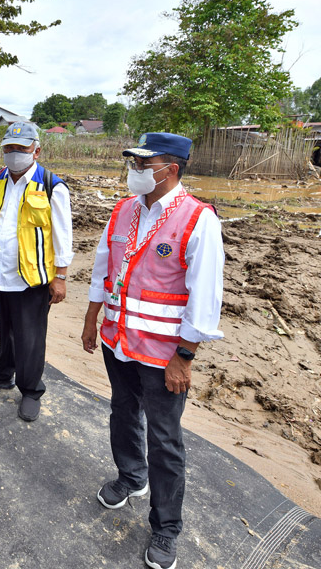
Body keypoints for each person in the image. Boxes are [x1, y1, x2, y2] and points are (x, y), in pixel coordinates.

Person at [80, 133, 224, 569]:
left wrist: (185, 355)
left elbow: (206, 297)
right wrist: (92, 319)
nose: (136, 171)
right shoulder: (122, 211)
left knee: (164, 438)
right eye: (134, 163)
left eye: (145, 165)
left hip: (164, 355)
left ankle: (165, 527)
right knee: (123, 412)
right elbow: (104, 269)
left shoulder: (198, 220)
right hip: (118, 340)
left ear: (171, 170)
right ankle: (131, 477)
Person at [0, 121, 73, 422]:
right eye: (8, 148)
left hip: (32, 278)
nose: (14, 154)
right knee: (3, 329)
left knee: (30, 337)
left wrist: (60, 278)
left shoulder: (51, 185)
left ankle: (31, 389)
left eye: (20, 148)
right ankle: (1, 373)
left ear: (36, 150)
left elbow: (63, 236)